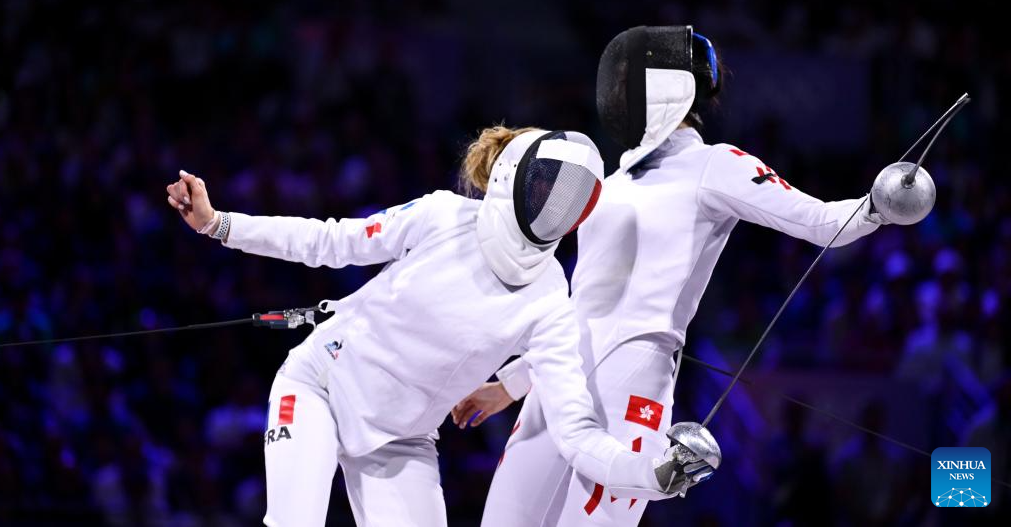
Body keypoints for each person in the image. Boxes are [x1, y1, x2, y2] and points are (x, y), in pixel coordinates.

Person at [454, 26, 889, 526]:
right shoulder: (608, 184)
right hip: (561, 371)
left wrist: (878, 205)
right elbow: (579, 305)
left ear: (660, 89)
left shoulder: (713, 165)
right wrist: (510, 385)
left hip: (635, 373)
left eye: (626, 83)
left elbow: (824, 222)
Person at [165, 126, 678, 527]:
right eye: (548, 186)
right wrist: (218, 223)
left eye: (569, 199)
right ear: (513, 175)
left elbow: (576, 432)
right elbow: (330, 241)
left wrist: (650, 472)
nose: (553, 206)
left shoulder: (550, 299)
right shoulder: (442, 215)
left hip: (403, 440)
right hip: (320, 386)